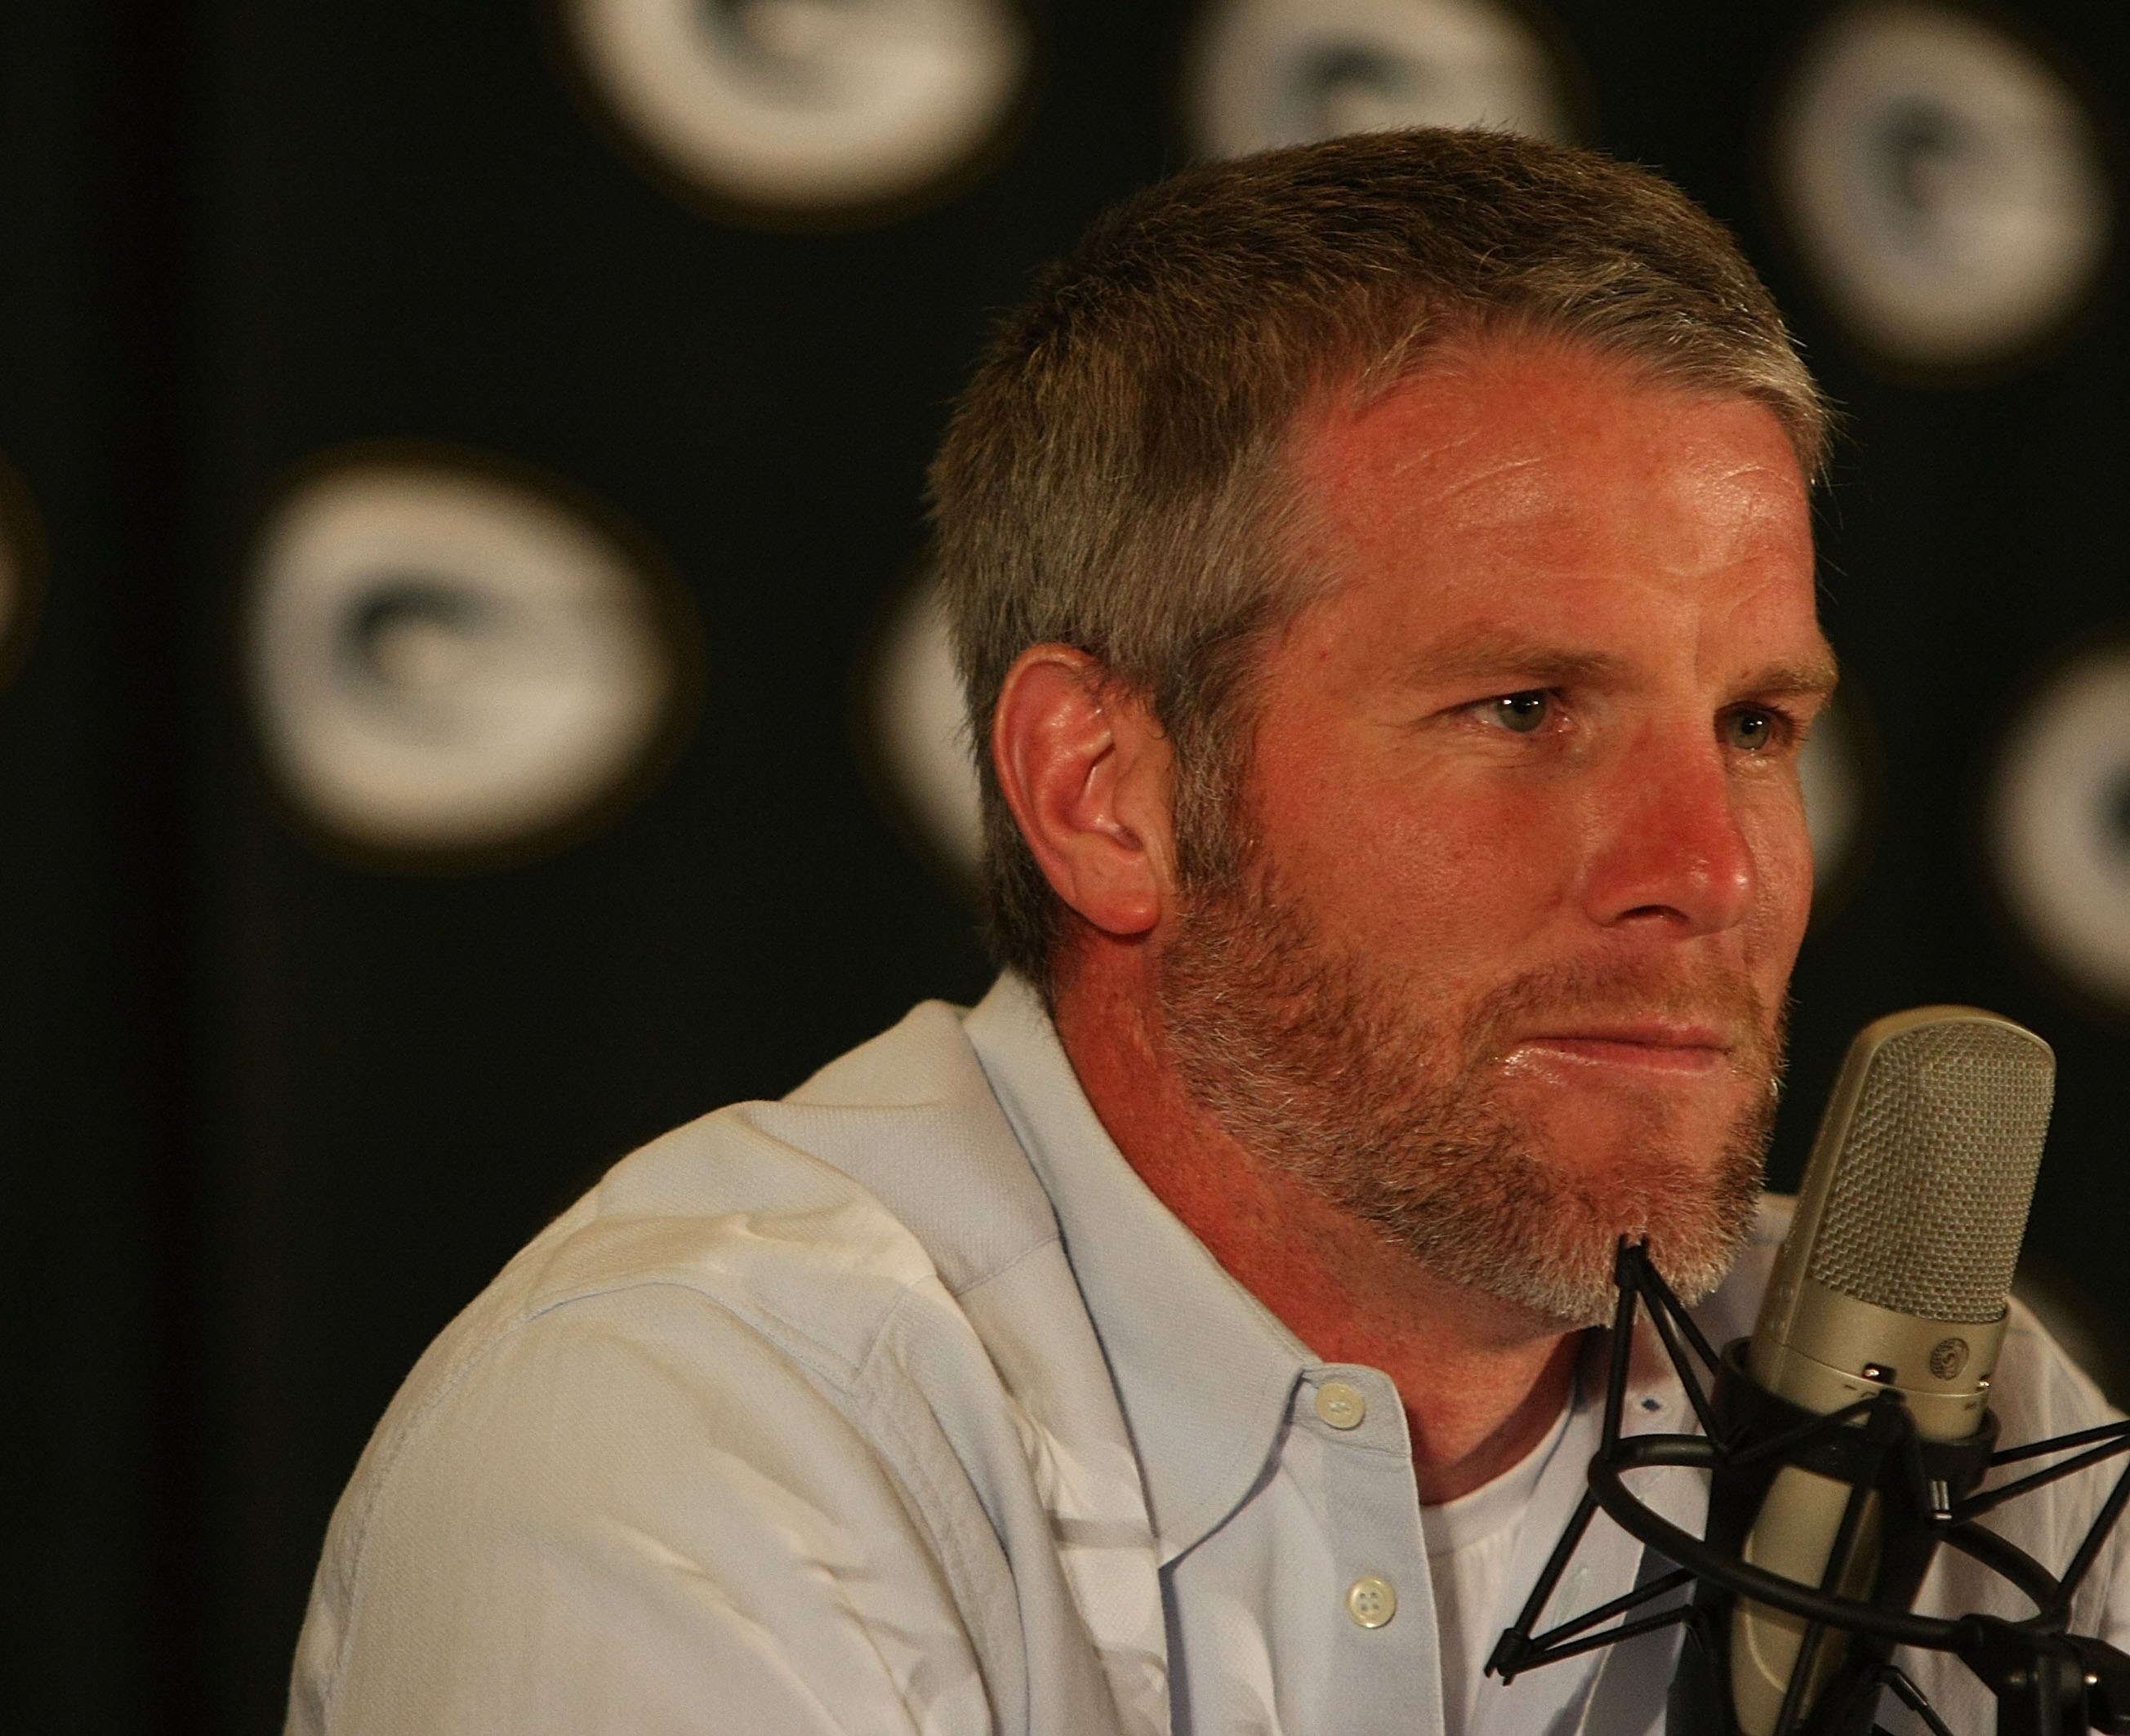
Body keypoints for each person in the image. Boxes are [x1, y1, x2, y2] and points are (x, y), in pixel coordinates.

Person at [284, 130, 2127, 1736]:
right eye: (1522, 710)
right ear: (1106, 789)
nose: (1710, 873)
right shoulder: (694, 1440)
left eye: (1752, 728)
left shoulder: (1962, 1427)